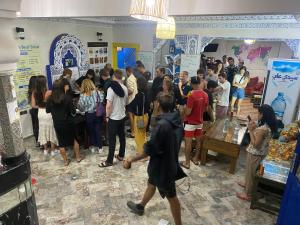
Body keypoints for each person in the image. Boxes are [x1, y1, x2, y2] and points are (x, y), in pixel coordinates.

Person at [124, 93, 186, 225]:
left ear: (158, 104)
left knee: (172, 197)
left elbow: (148, 151)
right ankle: (141, 206)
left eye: (155, 102)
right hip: (167, 162)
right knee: (152, 183)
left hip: (163, 168)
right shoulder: (177, 120)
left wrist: (131, 159)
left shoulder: (162, 125)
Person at [236, 104, 277, 201]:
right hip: (260, 153)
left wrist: (250, 130)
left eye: (258, 113)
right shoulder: (267, 126)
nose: (257, 115)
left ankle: (248, 194)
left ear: (262, 114)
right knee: (250, 172)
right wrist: (255, 129)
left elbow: (255, 144)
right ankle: (247, 184)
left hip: (255, 154)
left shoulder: (262, 129)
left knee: (251, 174)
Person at [46, 80, 84, 166]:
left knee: (61, 143)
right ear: (62, 87)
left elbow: (47, 111)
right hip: (69, 122)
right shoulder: (67, 98)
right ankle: (78, 157)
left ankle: (66, 161)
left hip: (57, 123)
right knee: (74, 140)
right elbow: (73, 111)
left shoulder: (50, 99)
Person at [99, 69, 128, 167]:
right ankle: (121, 155)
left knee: (112, 140)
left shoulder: (111, 89)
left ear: (114, 77)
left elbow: (108, 105)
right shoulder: (125, 88)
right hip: (122, 116)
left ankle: (109, 161)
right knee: (122, 137)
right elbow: (126, 102)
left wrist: (107, 116)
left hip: (113, 118)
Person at [181, 76, 208, 169]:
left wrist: (184, 108)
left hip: (190, 123)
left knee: (188, 143)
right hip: (199, 122)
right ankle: (195, 159)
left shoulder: (191, 95)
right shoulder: (205, 94)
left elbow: (188, 112)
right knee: (198, 141)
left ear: (192, 84)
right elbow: (206, 109)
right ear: (199, 82)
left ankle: (187, 163)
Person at [192, 80, 218, 164]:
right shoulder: (208, 94)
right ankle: (200, 156)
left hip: (199, 117)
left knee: (198, 137)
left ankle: (197, 154)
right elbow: (209, 108)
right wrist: (213, 118)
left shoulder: (202, 92)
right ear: (212, 88)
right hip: (205, 119)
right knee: (202, 139)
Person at [33, 75, 58, 156]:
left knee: (42, 130)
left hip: (40, 113)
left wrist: (40, 106)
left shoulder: (34, 92)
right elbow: (53, 103)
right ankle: (53, 151)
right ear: (44, 82)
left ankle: (45, 150)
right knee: (51, 130)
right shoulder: (49, 92)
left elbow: (33, 105)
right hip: (48, 113)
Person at [77, 79, 103, 154]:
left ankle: (93, 146)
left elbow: (81, 107)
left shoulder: (82, 95)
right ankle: (100, 147)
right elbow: (101, 100)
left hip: (89, 115)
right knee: (98, 130)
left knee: (91, 131)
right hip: (98, 113)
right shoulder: (98, 92)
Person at [131, 76, 150, 154]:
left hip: (139, 118)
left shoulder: (139, 95)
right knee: (143, 135)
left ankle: (141, 152)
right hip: (145, 115)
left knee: (139, 136)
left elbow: (135, 106)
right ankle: (143, 150)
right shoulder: (147, 92)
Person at [126, 66, 138, 138]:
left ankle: (133, 132)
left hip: (131, 99)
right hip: (135, 98)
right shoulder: (134, 77)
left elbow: (131, 90)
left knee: (131, 116)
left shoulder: (129, 79)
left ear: (127, 71)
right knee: (133, 116)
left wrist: (125, 93)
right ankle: (133, 130)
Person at [28, 76, 39, 147]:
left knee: (35, 126)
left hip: (33, 111)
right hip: (36, 110)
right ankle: (39, 142)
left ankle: (38, 142)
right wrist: (41, 106)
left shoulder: (30, 90)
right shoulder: (34, 91)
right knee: (37, 127)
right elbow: (33, 105)